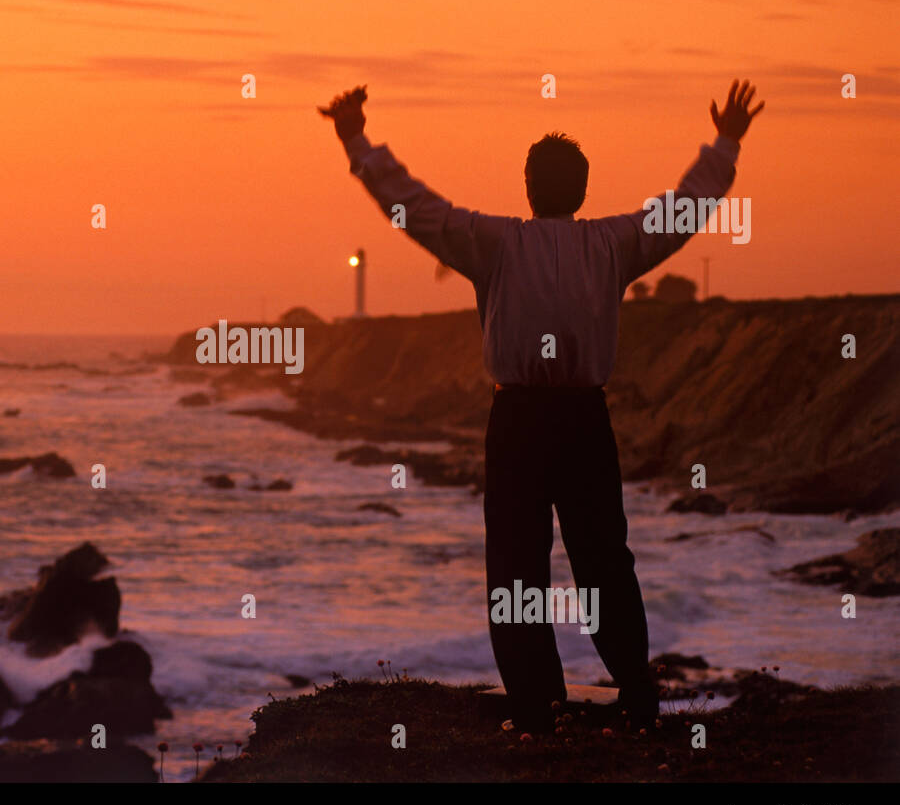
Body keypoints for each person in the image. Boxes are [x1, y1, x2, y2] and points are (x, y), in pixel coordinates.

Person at [320, 81, 763, 730]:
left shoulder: (497, 243)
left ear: (528, 187)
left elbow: (412, 206)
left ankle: (536, 703)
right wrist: (726, 142)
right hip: (584, 416)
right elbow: (686, 209)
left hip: (520, 419)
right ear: (581, 190)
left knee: (518, 564)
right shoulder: (611, 243)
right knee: (604, 557)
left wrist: (356, 139)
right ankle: (634, 692)